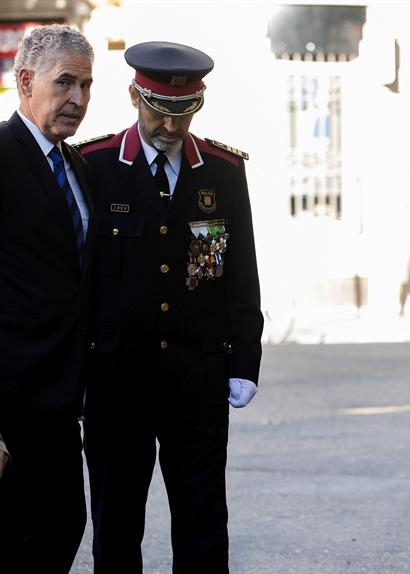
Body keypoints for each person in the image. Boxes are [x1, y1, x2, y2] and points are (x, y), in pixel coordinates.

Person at [78, 41, 264, 574]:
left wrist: (242, 360)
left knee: (203, 520)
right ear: (135, 97)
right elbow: (81, 281)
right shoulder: (95, 166)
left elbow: (239, 272)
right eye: (159, 111)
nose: (169, 126)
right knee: (115, 524)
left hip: (195, 374)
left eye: (183, 113)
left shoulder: (223, 172)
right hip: (116, 378)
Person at [0, 23, 94, 573]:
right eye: (65, 84)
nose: (77, 100)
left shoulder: (77, 166)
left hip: (62, 409)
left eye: (86, 86)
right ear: (26, 81)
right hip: (10, 412)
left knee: (63, 528)